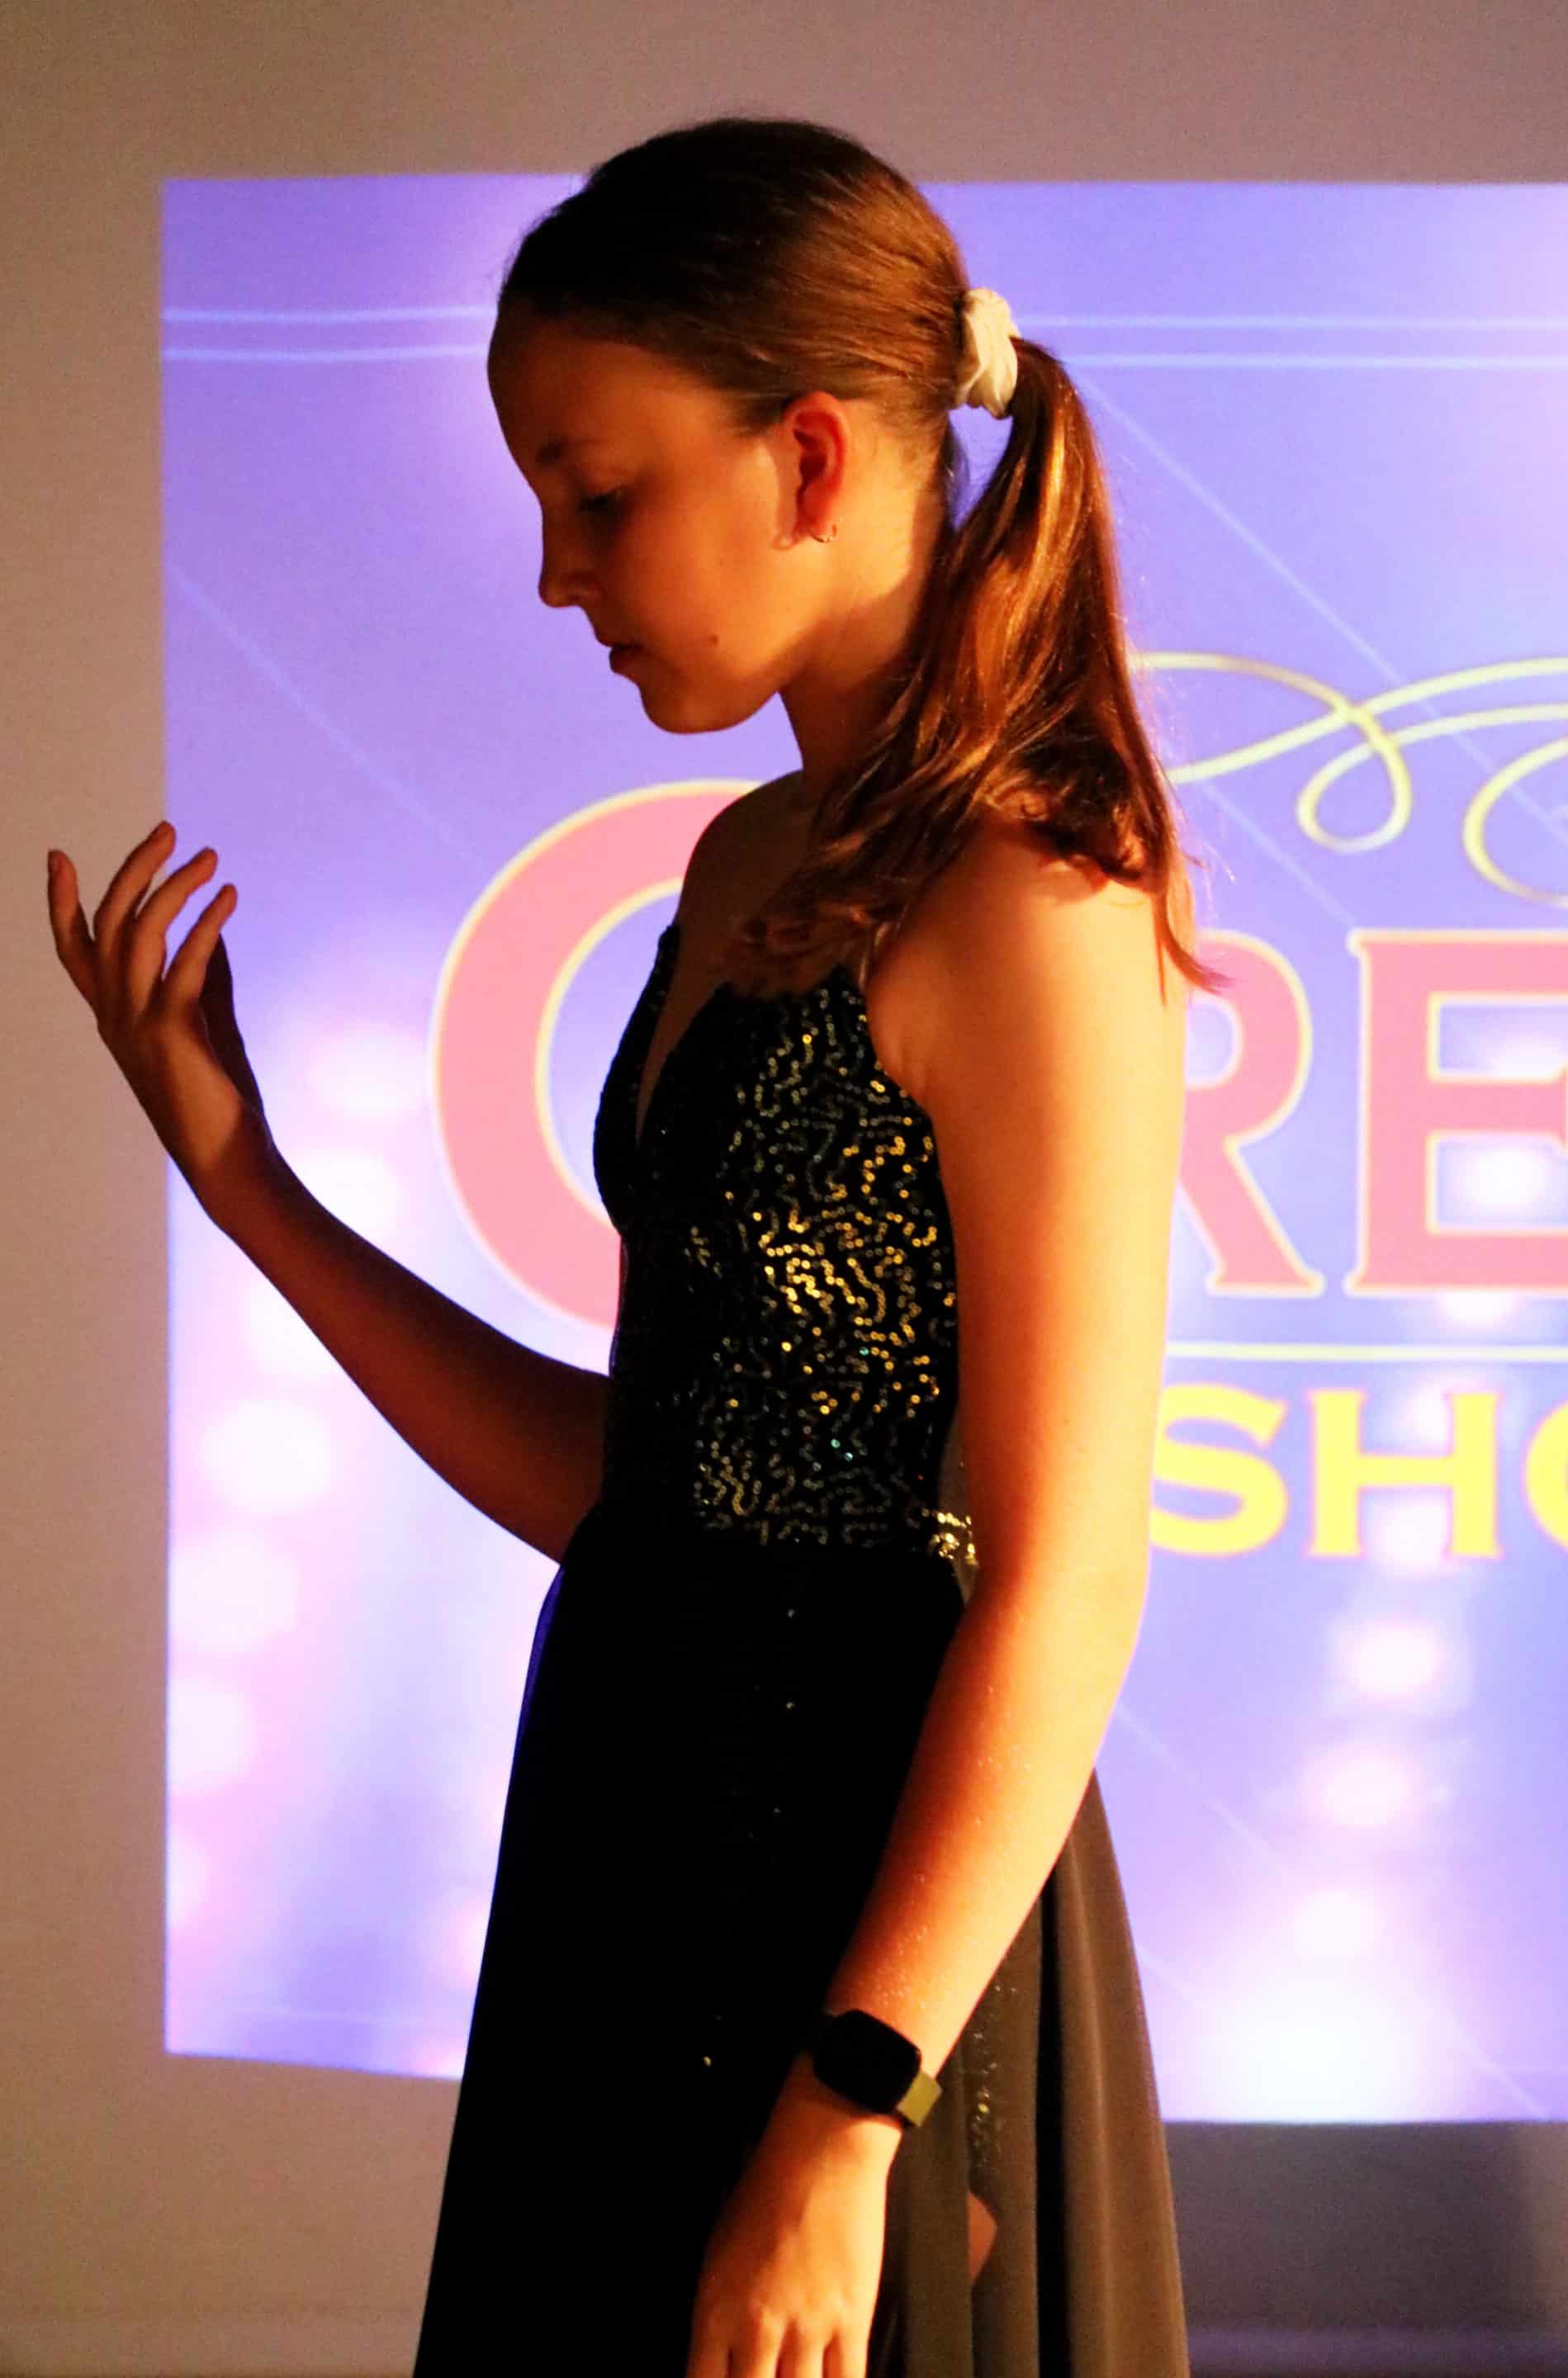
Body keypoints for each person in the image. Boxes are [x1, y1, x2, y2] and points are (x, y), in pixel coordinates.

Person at [47, 112, 1229, 2378]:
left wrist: (850, 2109)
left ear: (810, 459)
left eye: (595, 497)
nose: (553, 576)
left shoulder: (1029, 897)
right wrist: (245, 1178)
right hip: (627, 1855)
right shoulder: (741, 864)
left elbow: (1064, 1580)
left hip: (866, 1964)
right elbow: (653, 1492)